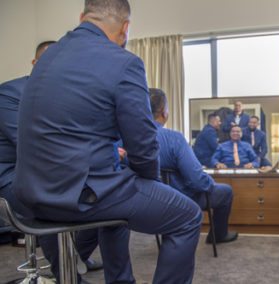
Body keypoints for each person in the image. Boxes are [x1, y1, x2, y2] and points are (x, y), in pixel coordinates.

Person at [14, 1, 202, 283]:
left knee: (118, 194)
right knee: (187, 215)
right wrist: (148, 182)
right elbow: (143, 143)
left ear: (82, 18)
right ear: (125, 29)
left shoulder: (48, 58)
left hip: (28, 194)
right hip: (77, 194)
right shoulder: (123, 62)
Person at [0, 41, 102, 279]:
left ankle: (75, 258)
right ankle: (67, 276)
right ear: (35, 64)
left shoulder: (65, 97)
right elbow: (33, 145)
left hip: (50, 172)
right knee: (50, 201)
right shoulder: (8, 94)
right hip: (12, 177)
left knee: (106, 195)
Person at [150, 88, 238, 244]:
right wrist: (211, 184)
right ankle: (218, 235)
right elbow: (197, 180)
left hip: (148, 202)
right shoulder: (173, 139)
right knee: (226, 191)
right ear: (164, 112)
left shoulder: (124, 138)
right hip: (180, 200)